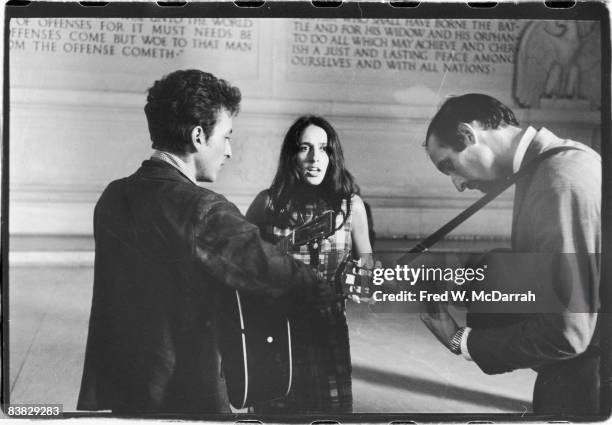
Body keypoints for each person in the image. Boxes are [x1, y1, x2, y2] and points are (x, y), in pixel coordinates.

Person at [77, 70, 324, 414]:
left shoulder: (113, 196)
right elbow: (283, 276)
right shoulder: (204, 209)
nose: (230, 151)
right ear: (198, 136)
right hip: (184, 400)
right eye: (226, 136)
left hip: (118, 396)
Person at [419, 93, 601, 415]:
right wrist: (462, 280)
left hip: (588, 386)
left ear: (467, 135)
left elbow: (567, 333)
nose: (458, 184)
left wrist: (460, 339)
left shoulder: (557, 180)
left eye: (449, 166)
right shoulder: (551, 164)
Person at [246, 115, 373, 413]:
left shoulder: (351, 206)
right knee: (276, 411)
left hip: (327, 329)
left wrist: (352, 283)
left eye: (324, 148)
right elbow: (243, 261)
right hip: (278, 330)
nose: (315, 158)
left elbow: (365, 262)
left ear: (333, 155)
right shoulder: (268, 203)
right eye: (305, 148)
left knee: (329, 414)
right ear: (292, 156)